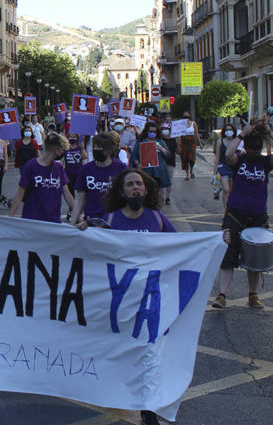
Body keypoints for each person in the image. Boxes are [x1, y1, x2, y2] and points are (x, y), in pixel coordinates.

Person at [80, 168, 176, 425]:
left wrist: (215, 240)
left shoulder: (157, 219)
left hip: (148, 301)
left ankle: (148, 410)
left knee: (148, 355)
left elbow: (182, 249)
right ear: (122, 192)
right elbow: (91, 252)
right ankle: (116, 393)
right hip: (118, 302)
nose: (135, 188)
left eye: (139, 184)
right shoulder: (110, 220)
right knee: (121, 353)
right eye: (130, 184)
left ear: (146, 190)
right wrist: (82, 231)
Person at [212, 123, 273, 309]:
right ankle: (222, 295)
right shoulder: (239, 159)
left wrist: (270, 133)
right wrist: (242, 135)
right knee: (228, 254)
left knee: (255, 256)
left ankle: (253, 295)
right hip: (236, 213)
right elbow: (228, 154)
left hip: (257, 214)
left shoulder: (264, 163)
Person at [9, 132, 80, 225]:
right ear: (56, 150)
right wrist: (10, 218)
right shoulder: (31, 166)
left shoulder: (58, 168)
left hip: (53, 221)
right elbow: (19, 194)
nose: (64, 152)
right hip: (32, 220)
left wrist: (79, 216)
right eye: (62, 150)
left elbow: (67, 194)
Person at [74, 133, 128, 220]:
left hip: (115, 220)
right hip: (92, 220)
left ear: (110, 150)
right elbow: (80, 198)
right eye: (95, 147)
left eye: (101, 147)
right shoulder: (86, 169)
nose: (96, 149)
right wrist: (73, 223)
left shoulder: (121, 168)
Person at [129, 122, 173, 205]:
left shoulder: (160, 142)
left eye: (155, 132)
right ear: (146, 131)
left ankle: (157, 209)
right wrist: (138, 164)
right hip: (146, 172)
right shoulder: (141, 142)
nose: (153, 133)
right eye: (150, 131)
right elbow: (134, 156)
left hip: (159, 172)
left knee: (159, 194)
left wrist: (162, 149)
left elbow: (168, 155)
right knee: (146, 193)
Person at [214, 123, 240, 204]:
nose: (229, 131)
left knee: (232, 190)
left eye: (230, 130)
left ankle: (230, 208)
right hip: (223, 167)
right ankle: (226, 210)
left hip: (233, 167)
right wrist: (215, 172)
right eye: (227, 130)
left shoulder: (237, 142)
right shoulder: (220, 142)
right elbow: (217, 157)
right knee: (226, 189)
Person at [178, 112, 200, 181]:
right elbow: (179, 135)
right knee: (185, 159)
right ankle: (187, 174)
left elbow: (196, 134)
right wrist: (178, 144)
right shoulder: (181, 125)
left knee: (192, 158)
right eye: (184, 117)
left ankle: (191, 170)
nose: (186, 118)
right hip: (184, 143)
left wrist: (200, 143)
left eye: (187, 117)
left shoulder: (193, 124)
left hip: (192, 144)